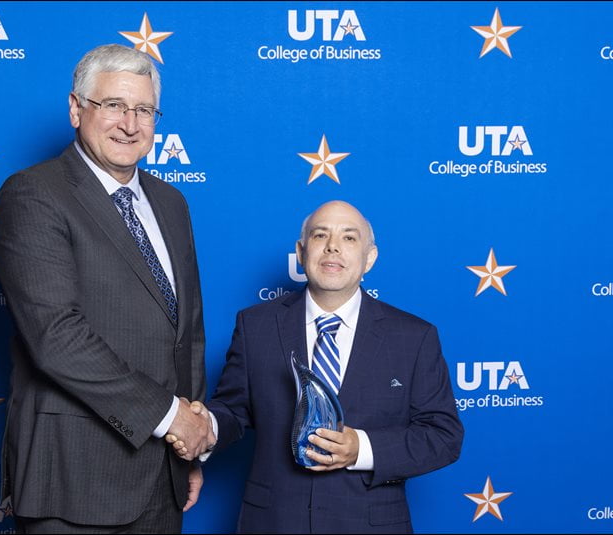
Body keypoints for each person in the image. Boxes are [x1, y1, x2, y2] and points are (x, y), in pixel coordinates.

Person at [0, 43, 213, 534]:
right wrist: (170, 417)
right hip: (74, 479)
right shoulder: (33, 195)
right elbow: (56, 337)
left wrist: (188, 447)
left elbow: (186, 334)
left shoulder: (171, 202)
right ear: (76, 109)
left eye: (144, 110)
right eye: (113, 105)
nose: (129, 124)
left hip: (161, 475)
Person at [170, 200, 463, 533]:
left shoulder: (413, 337)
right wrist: (205, 425)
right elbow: (234, 411)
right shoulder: (256, 325)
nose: (333, 246)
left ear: (370, 258)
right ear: (301, 250)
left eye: (349, 238)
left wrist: (361, 449)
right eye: (320, 235)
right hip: (273, 522)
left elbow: (444, 437)